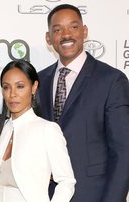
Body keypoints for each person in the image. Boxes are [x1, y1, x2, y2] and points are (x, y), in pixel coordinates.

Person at [39, 4, 129, 202]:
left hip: (94, 195)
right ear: (48, 38)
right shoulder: (38, 82)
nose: (66, 35)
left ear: (84, 31)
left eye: (73, 27)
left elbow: (124, 152)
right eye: (57, 29)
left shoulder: (111, 80)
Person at [0, 60, 75, 202]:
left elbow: (67, 182)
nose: (12, 94)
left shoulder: (47, 130)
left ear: (34, 87)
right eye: (6, 87)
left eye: (20, 86)